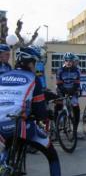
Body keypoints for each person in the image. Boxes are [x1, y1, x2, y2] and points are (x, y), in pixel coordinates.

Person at [0, 46, 61, 175]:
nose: (36, 67)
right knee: (51, 153)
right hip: (18, 125)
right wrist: (45, 116)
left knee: (5, 149)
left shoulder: (4, 75)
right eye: (36, 63)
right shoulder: (33, 79)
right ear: (30, 63)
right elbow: (39, 110)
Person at [56, 52, 81, 137]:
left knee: (76, 107)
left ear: (73, 61)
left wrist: (72, 91)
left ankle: (75, 129)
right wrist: (64, 91)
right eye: (67, 61)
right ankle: (56, 127)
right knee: (58, 106)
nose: (69, 62)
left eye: (70, 61)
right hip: (62, 90)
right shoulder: (60, 70)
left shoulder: (77, 70)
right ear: (64, 61)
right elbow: (59, 84)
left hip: (73, 90)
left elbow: (77, 83)